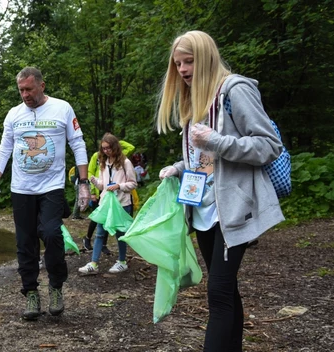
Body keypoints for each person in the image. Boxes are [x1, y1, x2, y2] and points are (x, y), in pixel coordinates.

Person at [156, 30, 284, 351]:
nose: (183, 70)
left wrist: (217, 141)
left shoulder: (235, 90)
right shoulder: (194, 98)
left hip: (231, 209)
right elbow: (203, 159)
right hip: (201, 211)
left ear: (207, 57)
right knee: (225, 293)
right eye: (178, 64)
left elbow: (269, 145)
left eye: (190, 61)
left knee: (218, 293)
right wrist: (179, 167)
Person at [0, 67, 90, 321]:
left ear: (42, 85)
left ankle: (55, 287)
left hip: (51, 187)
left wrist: (83, 183)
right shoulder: (14, 114)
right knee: (25, 243)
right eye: (21, 90)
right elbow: (3, 150)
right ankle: (31, 292)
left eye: (29, 89)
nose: (25, 95)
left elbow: (78, 143)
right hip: (21, 189)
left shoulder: (62, 108)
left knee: (52, 234)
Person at [78, 133, 137, 275]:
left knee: (120, 233)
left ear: (115, 147)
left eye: (108, 148)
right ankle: (93, 263)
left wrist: (118, 186)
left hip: (121, 203)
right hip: (106, 203)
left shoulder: (125, 162)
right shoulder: (103, 163)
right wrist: (93, 181)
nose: (106, 151)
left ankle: (122, 262)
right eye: (103, 148)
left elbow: (133, 183)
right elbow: (102, 186)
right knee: (99, 233)